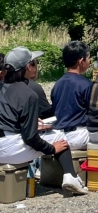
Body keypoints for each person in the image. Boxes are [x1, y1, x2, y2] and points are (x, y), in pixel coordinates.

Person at [0, 47, 88, 194]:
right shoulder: (28, 94)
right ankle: (71, 177)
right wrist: (52, 149)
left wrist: (30, 124)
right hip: (10, 150)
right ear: (27, 67)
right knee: (59, 136)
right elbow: (30, 138)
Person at [51, 41, 93, 150]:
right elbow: (94, 113)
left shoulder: (58, 84)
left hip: (58, 136)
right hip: (78, 135)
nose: (89, 61)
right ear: (81, 61)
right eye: (88, 58)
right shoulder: (86, 84)